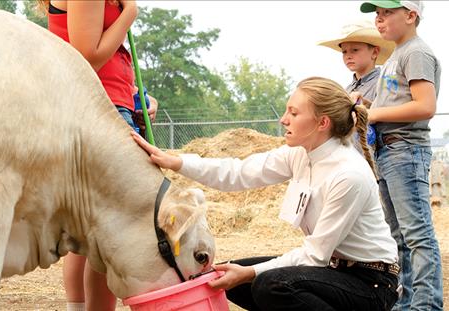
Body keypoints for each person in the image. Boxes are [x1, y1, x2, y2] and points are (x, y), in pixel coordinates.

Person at [133, 76, 400, 311]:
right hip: (332, 270)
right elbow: (238, 173)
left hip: (370, 283)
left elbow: (314, 256)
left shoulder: (347, 174)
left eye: (293, 113)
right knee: (225, 278)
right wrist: (176, 162)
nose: (283, 119)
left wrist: (249, 272)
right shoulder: (299, 154)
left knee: (271, 285)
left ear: (322, 122)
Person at [36, 1, 158, 310]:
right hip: (99, 110)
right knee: (109, 234)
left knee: (89, 236)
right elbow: (86, 57)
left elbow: (104, 60)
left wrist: (137, 96)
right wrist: (129, 13)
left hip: (109, 103)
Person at [357, 1, 443, 310]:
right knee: (401, 236)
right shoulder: (396, 57)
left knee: (417, 235)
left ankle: (427, 304)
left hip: (405, 150)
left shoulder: (415, 53)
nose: (379, 20)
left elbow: (425, 106)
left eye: (387, 13)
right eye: (377, 14)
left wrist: (374, 111)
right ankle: (407, 302)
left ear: (411, 15)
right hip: (388, 152)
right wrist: (363, 101)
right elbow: (393, 101)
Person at [318, 19, 395, 107]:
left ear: (375, 52)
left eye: (355, 50)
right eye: (344, 52)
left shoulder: (386, 83)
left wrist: (367, 106)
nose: (348, 56)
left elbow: (392, 113)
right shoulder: (346, 91)